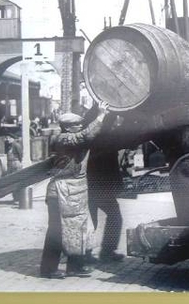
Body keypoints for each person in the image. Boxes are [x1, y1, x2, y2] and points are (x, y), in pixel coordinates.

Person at [40, 101, 110, 280]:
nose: (80, 126)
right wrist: (101, 115)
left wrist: (97, 107)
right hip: (61, 192)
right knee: (57, 231)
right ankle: (48, 269)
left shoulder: (72, 137)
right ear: (68, 128)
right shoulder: (63, 139)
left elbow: (86, 132)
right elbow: (86, 136)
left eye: (80, 124)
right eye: (77, 125)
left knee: (79, 229)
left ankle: (74, 267)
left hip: (76, 192)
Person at [86, 117, 125, 264]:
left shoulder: (94, 138)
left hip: (90, 185)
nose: (117, 123)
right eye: (115, 121)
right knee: (115, 216)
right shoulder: (109, 139)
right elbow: (111, 167)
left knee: (92, 220)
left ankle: (85, 253)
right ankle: (107, 251)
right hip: (100, 187)